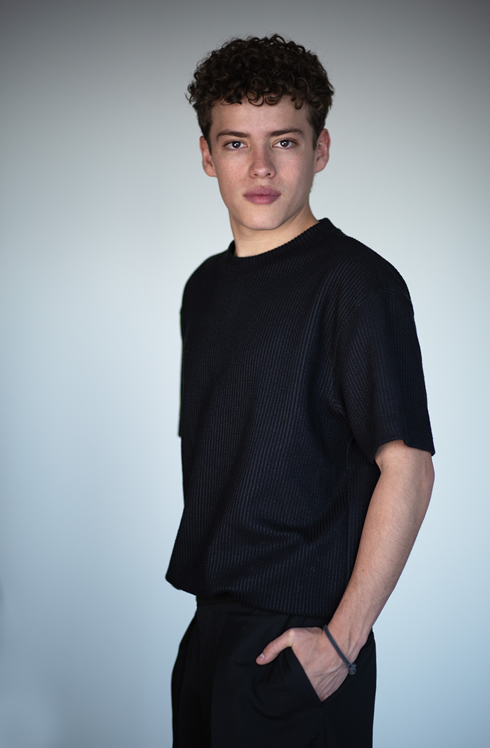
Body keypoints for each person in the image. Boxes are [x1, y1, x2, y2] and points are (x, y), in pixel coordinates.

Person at [166, 34, 435, 748]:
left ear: (320, 150)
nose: (260, 166)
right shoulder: (204, 289)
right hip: (208, 637)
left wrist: (340, 645)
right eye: (235, 143)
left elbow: (409, 468)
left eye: (283, 141)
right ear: (207, 155)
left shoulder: (358, 285)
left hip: (302, 642)